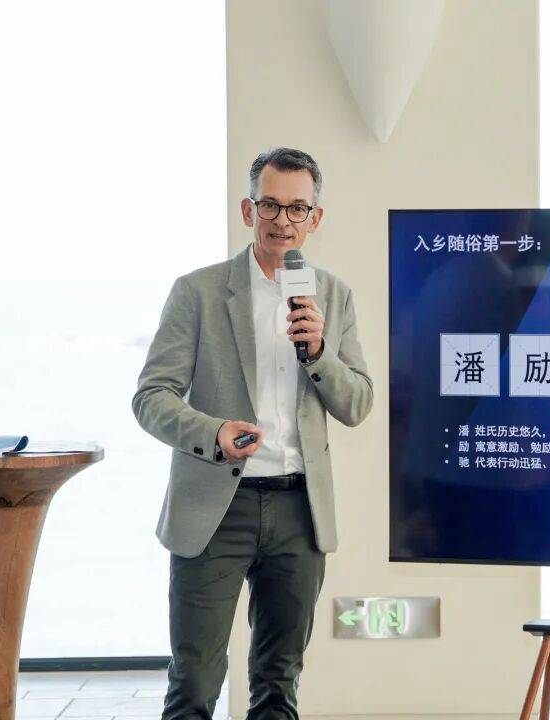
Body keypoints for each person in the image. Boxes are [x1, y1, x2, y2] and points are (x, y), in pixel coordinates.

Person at [132, 147, 372, 720]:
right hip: (215, 508)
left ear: (315, 217)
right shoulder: (198, 292)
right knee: (194, 682)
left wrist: (318, 351)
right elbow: (151, 397)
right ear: (249, 210)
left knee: (278, 684)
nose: (282, 220)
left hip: (298, 511)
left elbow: (357, 403)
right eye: (270, 205)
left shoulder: (333, 296)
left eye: (297, 208)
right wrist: (213, 432)